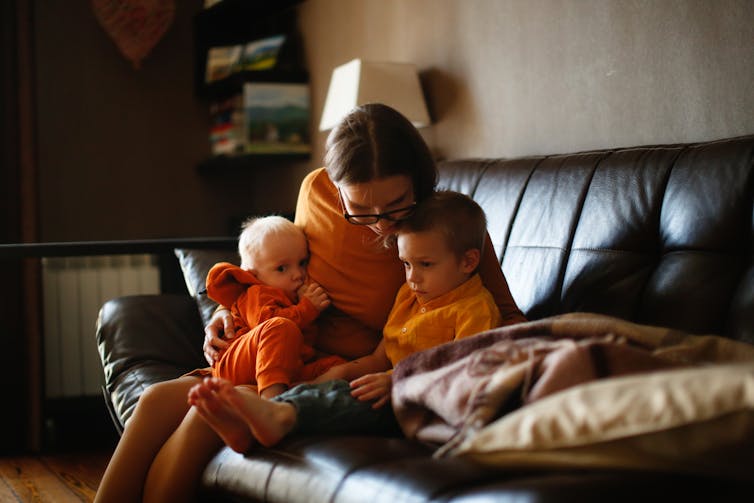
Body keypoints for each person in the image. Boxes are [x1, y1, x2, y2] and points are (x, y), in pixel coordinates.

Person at [94, 103, 526, 503]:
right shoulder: (314, 192)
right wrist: (226, 314)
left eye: (395, 206)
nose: (379, 225)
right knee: (154, 402)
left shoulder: (442, 226)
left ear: (417, 180)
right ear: (335, 187)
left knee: (202, 415)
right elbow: (279, 271)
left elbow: (503, 317)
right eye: (360, 208)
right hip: (283, 347)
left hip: (333, 376)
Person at [188, 190, 504, 452]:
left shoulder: (474, 310)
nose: (413, 277)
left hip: (415, 398)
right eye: (405, 264)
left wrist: (398, 380)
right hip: (381, 382)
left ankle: (278, 417)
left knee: (349, 402)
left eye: (424, 264)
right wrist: (339, 373)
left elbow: (465, 369)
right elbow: (379, 357)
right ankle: (254, 425)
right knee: (338, 385)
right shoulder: (409, 296)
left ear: (468, 261)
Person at [202, 215, 344, 398]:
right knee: (279, 326)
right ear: (253, 275)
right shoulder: (257, 292)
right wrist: (307, 308)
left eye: (302, 263)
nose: (298, 275)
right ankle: (272, 400)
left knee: (336, 366)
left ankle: (292, 391)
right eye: (282, 268)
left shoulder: (289, 293)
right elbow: (267, 323)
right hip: (237, 364)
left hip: (286, 364)